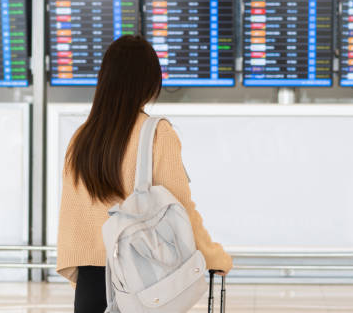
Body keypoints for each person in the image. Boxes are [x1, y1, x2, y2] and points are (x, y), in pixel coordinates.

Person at [56, 35, 233, 313]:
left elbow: (72, 217)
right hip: (139, 281)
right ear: (148, 83)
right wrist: (212, 257)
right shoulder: (156, 133)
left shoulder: (82, 137)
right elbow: (180, 209)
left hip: (90, 285)